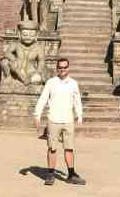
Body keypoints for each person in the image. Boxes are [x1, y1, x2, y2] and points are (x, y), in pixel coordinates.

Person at [33, 57, 85, 186]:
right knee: (52, 148)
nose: (62, 69)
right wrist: (37, 114)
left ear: (68, 68)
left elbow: (77, 100)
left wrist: (79, 115)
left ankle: (71, 174)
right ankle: (50, 174)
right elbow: (43, 98)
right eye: (60, 67)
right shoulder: (51, 82)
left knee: (69, 148)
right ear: (57, 69)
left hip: (68, 120)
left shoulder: (73, 83)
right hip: (53, 119)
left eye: (64, 67)